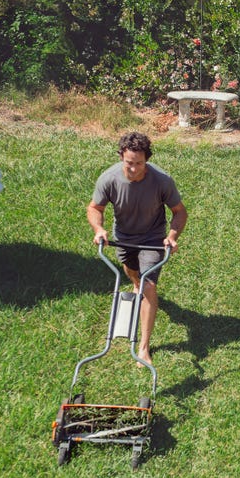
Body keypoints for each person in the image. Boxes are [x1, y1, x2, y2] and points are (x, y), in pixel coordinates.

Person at [87, 132, 187, 366]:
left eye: (139, 164)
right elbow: (95, 208)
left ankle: (143, 348)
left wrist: (171, 236)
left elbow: (180, 211)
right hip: (123, 238)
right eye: (128, 163)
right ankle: (136, 286)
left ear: (147, 160)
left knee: (147, 285)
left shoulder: (162, 180)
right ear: (122, 156)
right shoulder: (109, 179)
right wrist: (98, 229)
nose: (133, 169)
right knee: (132, 275)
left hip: (152, 238)